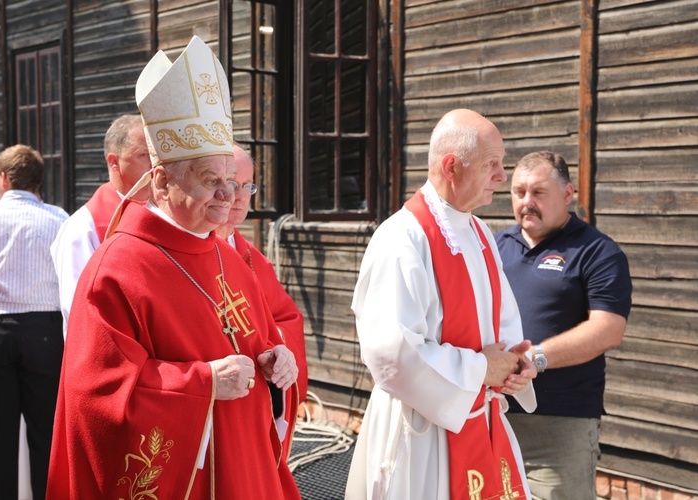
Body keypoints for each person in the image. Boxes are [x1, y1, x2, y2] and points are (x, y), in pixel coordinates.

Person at [46, 35, 301, 499]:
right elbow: (96, 397)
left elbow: (258, 339)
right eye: (210, 182)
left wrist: (276, 360)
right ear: (161, 182)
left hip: (246, 464)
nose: (228, 197)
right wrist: (202, 384)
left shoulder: (227, 256)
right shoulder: (116, 269)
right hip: (191, 479)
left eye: (233, 181)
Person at [345, 108, 537, 500]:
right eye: (492, 165)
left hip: (481, 417)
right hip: (424, 431)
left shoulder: (480, 232)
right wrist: (482, 368)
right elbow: (391, 354)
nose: (502, 177)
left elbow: (502, 327)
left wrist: (516, 364)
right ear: (452, 166)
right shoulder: (402, 238)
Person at [494, 151, 632, 499]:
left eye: (538, 192)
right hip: (493, 413)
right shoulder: (494, 247)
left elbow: (608, 328)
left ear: (567, 194)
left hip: (558, 424)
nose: (526, 202)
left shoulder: (597, 251)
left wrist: (536, 358)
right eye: (519, 192)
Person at [0, 144, 68, 499]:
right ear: (37, 181)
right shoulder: (59, 219)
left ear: (3, 179)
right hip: (46, 332)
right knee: (46, 430)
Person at [215, 144, 308, 459]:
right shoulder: (187, 255)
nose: (239, 195)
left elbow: (288, 321)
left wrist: (278, 353)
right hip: (212, 410)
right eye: (231, 184)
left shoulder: (255, 260)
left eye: (247, 186)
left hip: (258, 401)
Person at [50, 114, 151, 333]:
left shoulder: (163, 214)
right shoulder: (83, 227)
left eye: (158, 155)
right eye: (144, 155)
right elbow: (80, 306)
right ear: (114, 162)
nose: (155, 166)